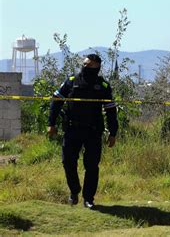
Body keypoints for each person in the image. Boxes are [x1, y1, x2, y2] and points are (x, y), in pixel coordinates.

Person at [47, 54, 118, 209]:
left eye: (89, 66)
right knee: (68, 162)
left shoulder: (103, 86)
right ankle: (74, 191)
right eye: (84, 64)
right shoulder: (71, 81)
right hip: (72, 129)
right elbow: (56, 101)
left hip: (93, 131)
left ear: (97, 68)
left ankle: (88, 199)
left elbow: (111, 110)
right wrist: (51, 123)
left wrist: (113, 133)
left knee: (92, 166)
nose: (85, 67)